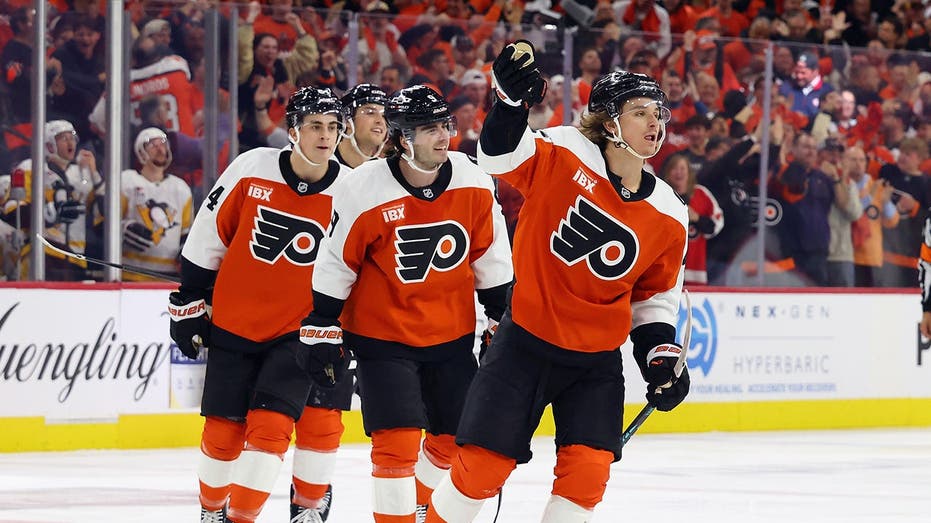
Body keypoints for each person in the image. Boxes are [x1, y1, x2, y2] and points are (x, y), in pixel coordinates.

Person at [425, 44, 690, 522]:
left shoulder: (670, 211)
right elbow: (499, 158)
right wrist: (508, 104)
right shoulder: (567, 150)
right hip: (525, 343)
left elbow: (653, 298)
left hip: (596, 362)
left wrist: (658, 357)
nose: (655, 124)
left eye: (659, 113)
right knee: (481, 470)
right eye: (639, 113)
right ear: (609, 122)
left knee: (587, 477)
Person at [298, 85, 513, 522]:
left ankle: (417, 506)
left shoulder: (473, 180)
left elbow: (491, 257)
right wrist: (321, 322)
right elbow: (338, 261)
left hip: (451, 336)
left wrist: (500, 319)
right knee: (395, 443)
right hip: (382, 338)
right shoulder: (364, 187)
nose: (442, 137)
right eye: (428, 129)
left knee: (453, 442)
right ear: (401, 137)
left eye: (445, 126)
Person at [167, 86, 350, 523]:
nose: (325, 136)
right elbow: (208, 237)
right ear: (293, 131)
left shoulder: (350, 190)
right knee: (222, 435)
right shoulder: (251, 168)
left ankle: (240, 518)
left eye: (332, 127)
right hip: (235, 323)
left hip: (299, 333)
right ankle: (212, 511)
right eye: (315, 127)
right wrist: (190, 299)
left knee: (271, 429)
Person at [11, 120, 103, 281]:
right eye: (63, 138)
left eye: (73, 137)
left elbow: (102, 213)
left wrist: (94, 174)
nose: (71, 142)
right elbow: (12, 211)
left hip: (76, 260)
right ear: (49, 145)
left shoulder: (82, 174)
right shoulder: (31, 168)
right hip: (44, 254)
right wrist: (47, 214)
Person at [120, 127, 193, 281]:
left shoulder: (181, 188)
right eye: (153, 145)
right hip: (131, 273)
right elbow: (106, 222)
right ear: (141, 152)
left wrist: (184, 250)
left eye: (163, 144)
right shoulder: (127, 181)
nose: (160, 149)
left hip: (169, 275)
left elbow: (186, 232)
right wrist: (123, 228)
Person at [334, 83, 388, 168]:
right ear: (346, 119)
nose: (380, 121)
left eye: (384, 115)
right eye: (370, 113)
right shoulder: (320, 169)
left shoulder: (386, 174)